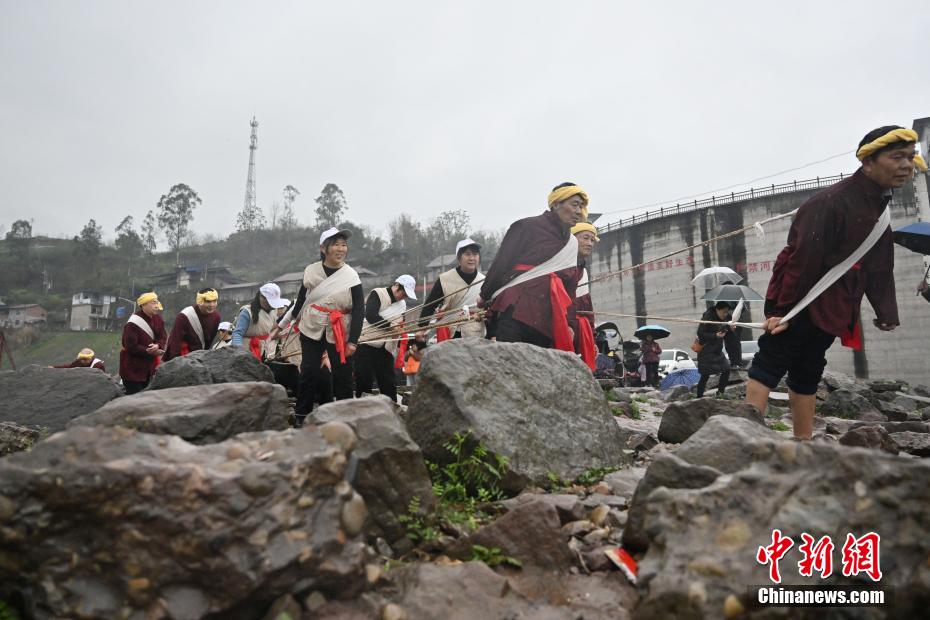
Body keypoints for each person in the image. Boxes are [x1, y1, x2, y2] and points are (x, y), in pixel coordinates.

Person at [746, 125, 925, 439]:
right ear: (868, 161)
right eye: (897, 157)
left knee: (809, 368)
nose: (907, 165)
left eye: (910, 157)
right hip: (803, 299)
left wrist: (886, 312)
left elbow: (879, 263)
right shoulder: (832, 202)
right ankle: (743, 435)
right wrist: (781, 311)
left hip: (836, 305)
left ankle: (802, 442)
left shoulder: (878, 207)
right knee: (769, 363)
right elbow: (802, 260)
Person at [478, 182, 587, 349]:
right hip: (516, 311)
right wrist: (485, 294)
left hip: (549, 319)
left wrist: (570, 324)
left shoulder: (572, 244)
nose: (579, 211)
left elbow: (570, 289)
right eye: (574, 205)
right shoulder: (526, 227)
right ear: (556, 204)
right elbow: (501, 264)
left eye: (581, 206)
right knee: (510, 366)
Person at [275, 227, 364, 426]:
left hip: (340, 328)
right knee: (309, 371)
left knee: (343, 375)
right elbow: (300, 303)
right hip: (312, 325)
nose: (341, 249)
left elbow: (359, 309)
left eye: (344, 245)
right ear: (324, 248)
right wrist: (282, 326)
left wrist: (353, 341)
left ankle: (346, 416)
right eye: (336, 245)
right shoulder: (311, 271)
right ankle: (301, 414)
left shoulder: (351, 276)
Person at [356, 274, 417, 401]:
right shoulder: (378, 293)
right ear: (396, 286)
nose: (404, 297)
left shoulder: (402, 305)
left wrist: (399, 328)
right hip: (367, 342)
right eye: (403, 293)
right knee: (364, 379)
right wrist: (390, 325)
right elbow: (371, 316)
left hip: (386, 346)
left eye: (406, 295)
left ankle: (392, 407)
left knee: (388, 382)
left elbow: (400, 321)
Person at [419, 238, 486, 340]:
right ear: (459, 258)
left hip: (475, 332)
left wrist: (493, 334)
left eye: (475, 254)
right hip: (450, 331)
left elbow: (489, 309)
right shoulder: (445, 279)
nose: (472, 258)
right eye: (467, 254)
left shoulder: (484, 281)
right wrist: (422, 327)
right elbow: (430, 305)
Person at [119, 292, 167, 394]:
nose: (156, 305)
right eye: (153, 303)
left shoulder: (158, 319)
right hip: (132, 369)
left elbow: (162, 336)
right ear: (143, 304)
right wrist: (148, 351)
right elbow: (130, 346)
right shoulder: (133, 323)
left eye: (157, 302)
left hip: (149, 368)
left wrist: (158, 345)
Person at [231, 283, 289, 359]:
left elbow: (266, 330)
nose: (272, 306)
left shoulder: (273, 311)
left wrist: (276, 336)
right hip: (246, 350)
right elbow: (237, 334)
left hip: (263, 349)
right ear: (262, 298)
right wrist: (240, 352)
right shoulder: (247, 312)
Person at [162, 288, 222, 361]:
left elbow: (208, 343)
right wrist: (175, 363)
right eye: (208, 302)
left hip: (200, 357)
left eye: (214, 301)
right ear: (200, 301)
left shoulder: (216, 317)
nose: (212, 305)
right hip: (183, 357)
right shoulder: (184, 316)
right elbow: (175, 342)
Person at [571, 222, 599, 369]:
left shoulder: (583, 271)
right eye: (585, 238)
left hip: (580, 333)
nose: (590, 244)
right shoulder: (558, 265)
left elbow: (587, 309)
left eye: (592, 240)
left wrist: (592, 340)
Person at [695, 302, 737, 397]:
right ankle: (699, 397)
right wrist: (715, 335)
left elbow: (730, 335)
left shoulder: (727, 318)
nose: (726, 314)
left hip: (717, 350)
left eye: (727, 312)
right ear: (717, 309)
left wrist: (732, 329)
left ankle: (720, 393)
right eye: (724, 312)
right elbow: (700, 333)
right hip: (705, 350)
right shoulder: (708, 317)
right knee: (705, 375)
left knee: (726, 369)